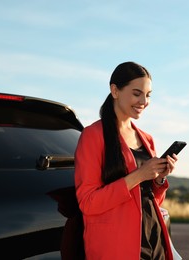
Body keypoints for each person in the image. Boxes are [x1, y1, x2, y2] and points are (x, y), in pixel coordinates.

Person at [74, 61, 177, 260]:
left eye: (148, 95)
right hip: (116, 246)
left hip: (153, 239)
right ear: (115, 91)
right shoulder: (93, 136)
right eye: (137, 93)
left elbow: (150, 200)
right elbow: (88, 203)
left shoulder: (147, 139)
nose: (144, 101)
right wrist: (139, 175)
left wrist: (159, 179)